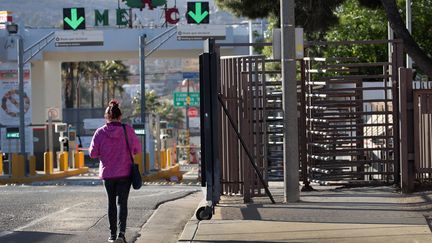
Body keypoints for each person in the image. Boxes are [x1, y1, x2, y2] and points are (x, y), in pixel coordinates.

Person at [89, 100, 141, 243]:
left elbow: (93, 153)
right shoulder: (127, 130)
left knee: (111, 203)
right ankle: (121, 235)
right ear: (120, 116)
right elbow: (137, 149)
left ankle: (112, 236)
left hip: (108, 174)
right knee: (122, 204)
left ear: (107, 116)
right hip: (125, 173)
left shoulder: (100, 132)